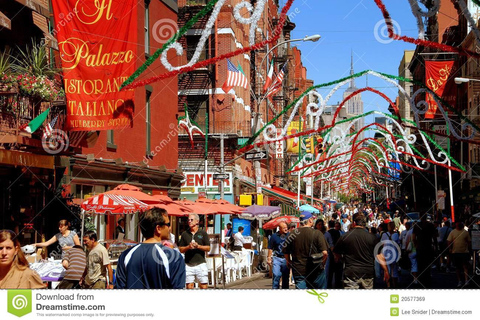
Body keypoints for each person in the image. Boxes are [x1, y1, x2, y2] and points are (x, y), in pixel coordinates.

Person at [116, 208, 185, 289]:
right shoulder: (173, 257)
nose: (170, 228)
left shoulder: (126, 255)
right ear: (158, 228)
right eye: (168, 224)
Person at [334, 213, 390, 289]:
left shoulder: (345, 236)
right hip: (367, 273)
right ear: (364, 224)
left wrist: (342, 259)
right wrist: (386, 271)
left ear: (354, 223)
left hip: (351, 273)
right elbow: (380, 256)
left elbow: (336, 252)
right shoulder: (372, 238)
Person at [284, 212, 328, 289]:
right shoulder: (317, 233)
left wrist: (288, 261)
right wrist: (322, 264)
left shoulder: (292, 234)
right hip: (315, 270)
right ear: (310, 220)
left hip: (299, 270)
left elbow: (285, 251)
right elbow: (325, 253)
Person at [178, 213, 210, 289]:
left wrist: (198, 246)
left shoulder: (203, 233)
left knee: (203, 286)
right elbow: (181, 249)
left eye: (191, 220)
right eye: (188, 220)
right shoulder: (184, 234)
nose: (189, 221)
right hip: (188, 264)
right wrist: (188, 247)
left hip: (200, 264)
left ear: (197, 221)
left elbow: (208, 248)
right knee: (189, 286)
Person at [412, 214, 437, 288]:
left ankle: (421, 281)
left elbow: (413, 238)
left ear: (419, 217)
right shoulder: (430, 225)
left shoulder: (416, 226)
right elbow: (435, 236)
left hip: (420, 247)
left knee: (420, 265)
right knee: (428, 266)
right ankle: (427, 281)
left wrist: (416, 245)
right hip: (428, 247)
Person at [447, 221, 472, 288]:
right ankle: (460, 281)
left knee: (465, 266)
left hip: (464, 252)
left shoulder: (465, 232)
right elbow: (449, 241)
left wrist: (469, 249)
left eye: (459, 225)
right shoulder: (452, 232)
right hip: (456, 252)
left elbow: (469, 242)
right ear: (456, 226)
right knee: (458, 267)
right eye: (457, 225)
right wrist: (450, 248)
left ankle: (466, 280)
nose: (458, 226)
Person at [267, 222, 290, 289]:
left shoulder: (289, 235)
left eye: (286, 227)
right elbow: (270, 248)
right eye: (284, 228)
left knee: (286, 277)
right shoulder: (274, 236)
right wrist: (269, 258)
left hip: (286, 259)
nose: (286, 229)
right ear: (279, 228)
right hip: (277, 258)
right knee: (276, 275)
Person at [380, 221, 400, 288]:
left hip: (386, 254)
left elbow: (382, 244)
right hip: (394, 254)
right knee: (394, 271)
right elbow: (398, 244)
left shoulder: (384, 234)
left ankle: (388, 285)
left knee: (387, 271)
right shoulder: (396, 234)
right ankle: (395, 285)